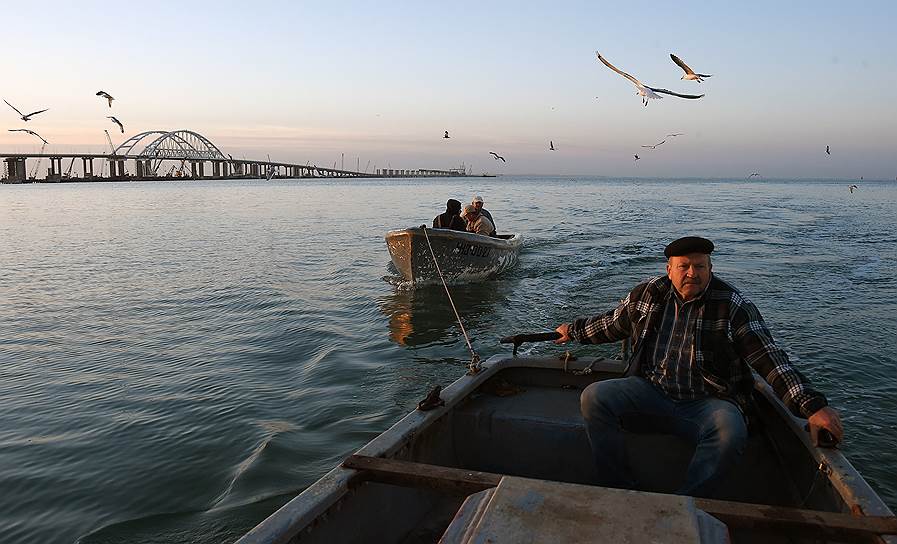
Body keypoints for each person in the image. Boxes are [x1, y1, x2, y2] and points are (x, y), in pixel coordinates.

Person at [553, 236, 843, 497]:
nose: (692, 273)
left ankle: (687, 502)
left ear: (710, 269)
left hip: (708, 401)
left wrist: (811, 407)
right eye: (685, 266)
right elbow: (613, 324)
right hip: (650, 390)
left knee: (731, 430)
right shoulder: (649, 294)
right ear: (670, 270)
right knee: (595, 396)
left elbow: (767, 357)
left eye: (700, 266)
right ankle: (618, 488)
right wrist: (573, 331)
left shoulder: (731, 304)